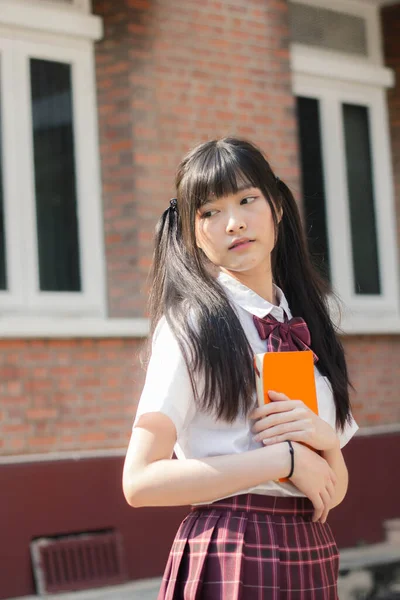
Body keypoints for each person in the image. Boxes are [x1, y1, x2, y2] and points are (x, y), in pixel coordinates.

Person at [122, 137, 359, 599]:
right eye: (209, 212)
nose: (233, 223)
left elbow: (334, 489)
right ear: (192, 231)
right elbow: (139, 481)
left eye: (247, 200)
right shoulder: (191, 324)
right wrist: (282, 459)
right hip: (232, 546)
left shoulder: (307, 323)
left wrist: (327, 441)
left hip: (311, 546)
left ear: (277, 207)